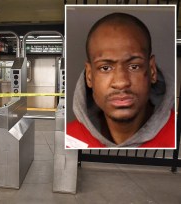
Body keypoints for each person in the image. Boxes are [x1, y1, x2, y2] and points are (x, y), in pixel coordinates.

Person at [66, 12, 175, 148]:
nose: (121, 82)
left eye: (134, 66)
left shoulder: (177, 134)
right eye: (105, 68)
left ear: (152, 70)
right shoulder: (69, 138)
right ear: (89, 76)